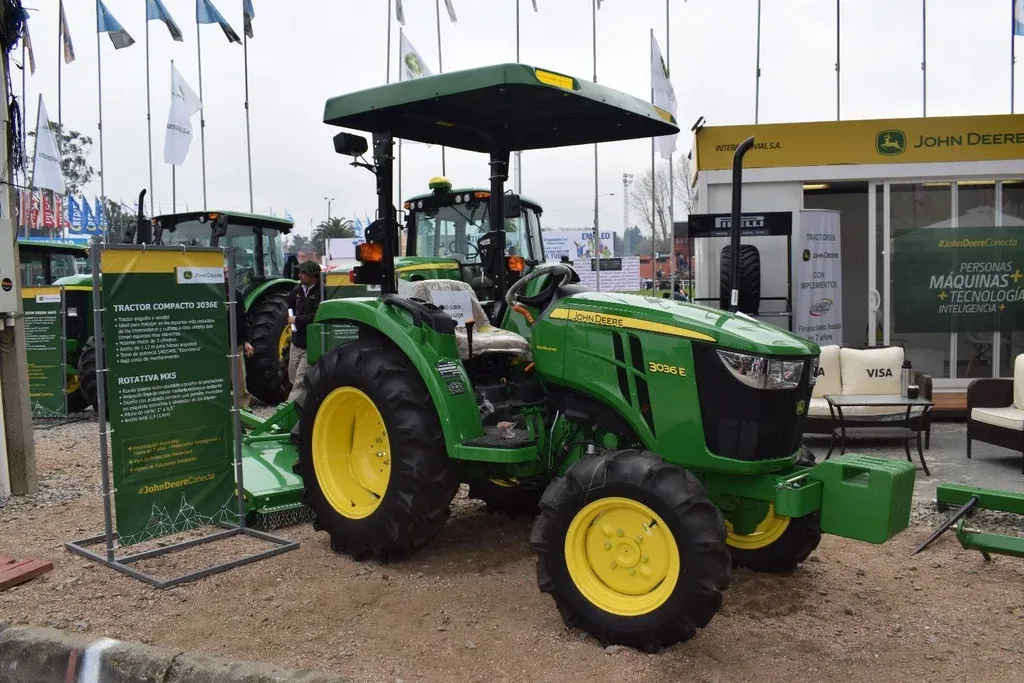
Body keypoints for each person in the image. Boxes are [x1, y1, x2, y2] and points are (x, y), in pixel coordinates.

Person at [286, 260, 322, 403]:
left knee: (300, 380)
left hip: (310, 343)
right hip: (296, 342)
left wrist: (296, 319)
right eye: (299, 272)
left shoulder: (322, 292)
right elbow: (289, 304)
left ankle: (289, 408)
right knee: (292, 375)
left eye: (303, 273)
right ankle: (304, 403)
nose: (299, 275)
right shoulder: (297, 290)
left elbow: (317, 316)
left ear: (312, 275)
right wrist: (290, 315)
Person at [225, 266, 255, 409]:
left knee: (239, 378)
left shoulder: (235, 293)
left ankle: (243, 409)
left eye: (226, 273)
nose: (225, 276)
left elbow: (243, 318)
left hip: (234, 343)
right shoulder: (209, 294)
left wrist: (247, 341)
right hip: (216, 344)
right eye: (223, 273)